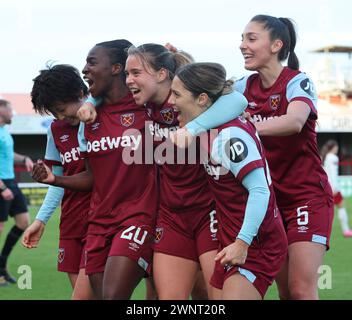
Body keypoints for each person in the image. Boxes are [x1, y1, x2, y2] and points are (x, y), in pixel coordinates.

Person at [172, 15, 334, 300]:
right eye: (242, 39)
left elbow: (294, 122)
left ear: (276, 45)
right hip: (267, 200)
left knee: (300, 289)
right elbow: (205, 94)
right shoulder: (244, 87)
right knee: (284, 291)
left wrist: (247, 127)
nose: (242, 45)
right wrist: (180, 62)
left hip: (304, 197)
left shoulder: (298, 81)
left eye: (251, 38)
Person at [79, 43, 248, 299]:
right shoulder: (143, 106)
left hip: (208, 211)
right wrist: (91, 100)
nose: (129, 81)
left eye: (135, 73)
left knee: (214, 297)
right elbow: (107, 91)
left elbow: (238, 99)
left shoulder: (190, 99)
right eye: (126, 74)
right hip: (170, 214)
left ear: (161, 74)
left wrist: (193, 127)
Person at [32, 39, 158, 300]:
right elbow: (80, 177)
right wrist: (49, 195)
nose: (85, 69)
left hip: (135, 216)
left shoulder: (142, 106)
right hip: (90, 222)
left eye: (91, 62)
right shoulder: (77, 125)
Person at [170, 62, 287, 299]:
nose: (171, 101)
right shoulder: (209, 125)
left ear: (202, 99)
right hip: (232, 238)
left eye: (176, 95)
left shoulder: (229, 136)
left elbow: (260, 190)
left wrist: (243, 243)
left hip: (256, 243)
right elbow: (237, 100)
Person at [22, 64, 95, 299]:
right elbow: (58, 180)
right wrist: (41, 220)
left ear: (81, 94)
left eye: (62, 109)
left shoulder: (103, 120)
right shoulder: (55, 130)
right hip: (72, 221)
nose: (61, 117)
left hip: (102, 219)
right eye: (54, 113)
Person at [0, 99, 32, 286]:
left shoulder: (5, 131)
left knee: (23, 222)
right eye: (10, 111)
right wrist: (2, 188)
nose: (13, 114)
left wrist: (25, 158)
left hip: (11, 182)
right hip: (2, 184)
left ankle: (2, 265)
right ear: (1, 111)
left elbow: (9, 155)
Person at [321, 139, 352, 237]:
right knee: (341, 206)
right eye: (336, 147)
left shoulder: (325, 157)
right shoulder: (333, 157)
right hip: (333, 187)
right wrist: (334, 188)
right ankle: (346, 230)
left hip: (326, 187)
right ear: (334, 147)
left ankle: (321, 231)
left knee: (325, 210)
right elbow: (333, 174)